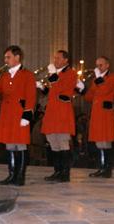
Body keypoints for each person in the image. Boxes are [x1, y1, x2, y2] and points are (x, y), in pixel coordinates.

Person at [0, 45, 36, 186]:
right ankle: (11, 175)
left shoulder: (27, 75)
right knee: (9, 146)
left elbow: (31, 96)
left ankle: (20, 176)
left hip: (20, 114)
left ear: (17, 57)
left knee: (20, 145)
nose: (6, 60)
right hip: (7, 115)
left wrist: (27, 115)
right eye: (5, 57)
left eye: (8, 57)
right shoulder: (5, 75)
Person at [38, 50, 77, 183]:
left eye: (58, 58)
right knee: (53, 142)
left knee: (62, 142)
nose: (55, 61)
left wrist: (54, 76)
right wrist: (42, 88)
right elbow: (52, 91)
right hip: (52, 111)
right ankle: (57, 171)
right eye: (55, 58)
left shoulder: (70, 73)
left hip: (62, 112)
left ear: (66, 60)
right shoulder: (56, 74)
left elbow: (62, 89)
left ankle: (65, 174)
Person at [84, 56, 114, 178]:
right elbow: (90, 96)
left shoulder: (112, 77)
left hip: (105, 114)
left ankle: (107, 169)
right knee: (99, 142)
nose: (98, 67)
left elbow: (104, 90)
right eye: (97, 65)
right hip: (97, 113)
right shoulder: (96, 79)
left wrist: (98, 78)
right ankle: (101, 167)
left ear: (107, 65)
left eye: (101, 65)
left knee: (105, 141)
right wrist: (82, 89)